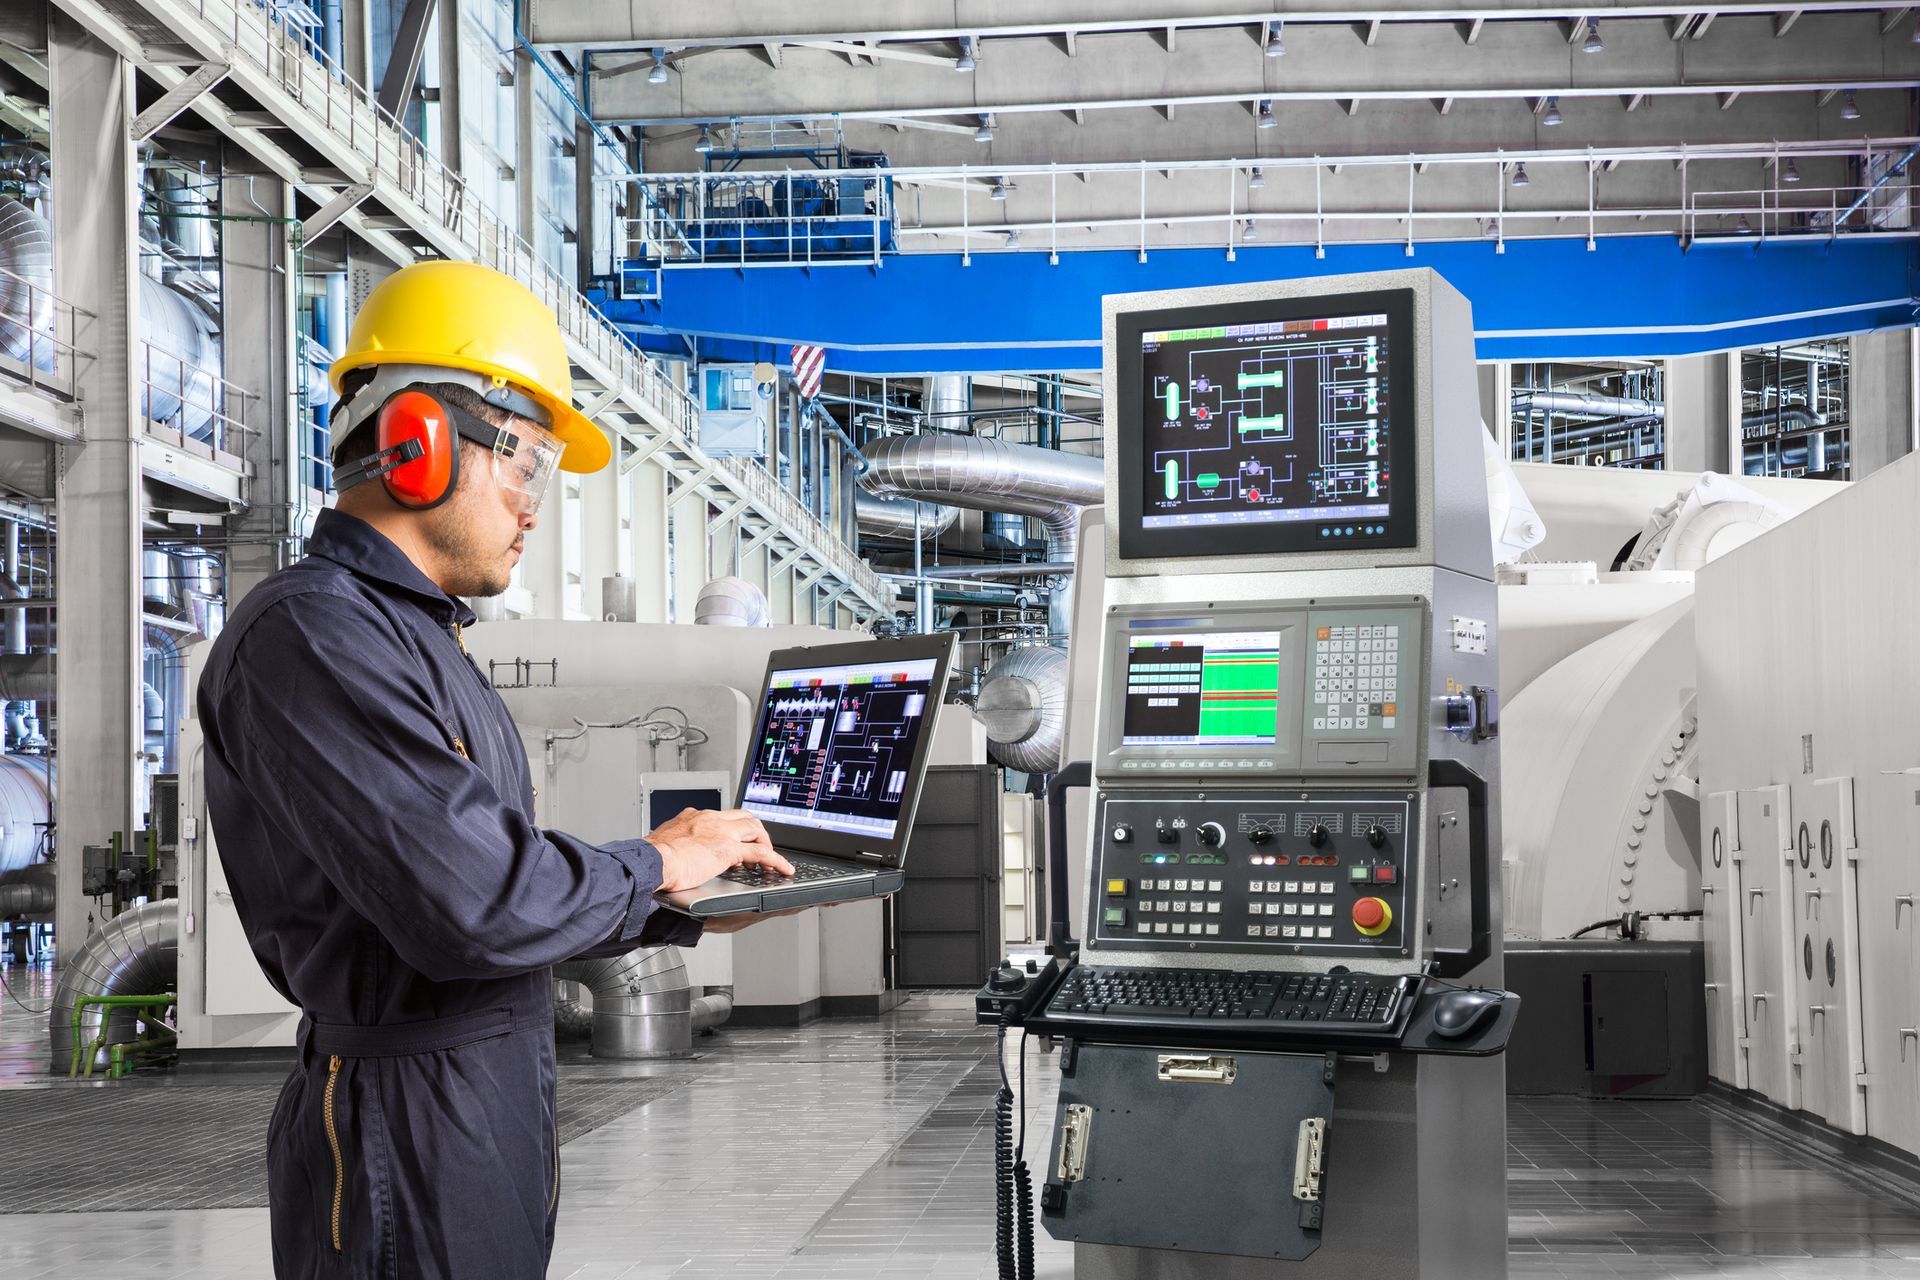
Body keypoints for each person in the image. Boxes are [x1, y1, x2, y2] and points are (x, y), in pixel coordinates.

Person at [197, 260, 794, 1279]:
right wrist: (653, 864)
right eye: (524, 464)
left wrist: (676, 904)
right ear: (419, 444)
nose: (533, 506)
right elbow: (473, 902)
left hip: (475, 1096)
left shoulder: (414, 635)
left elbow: (485, 871)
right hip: (400, 1126)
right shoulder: (313, 636)